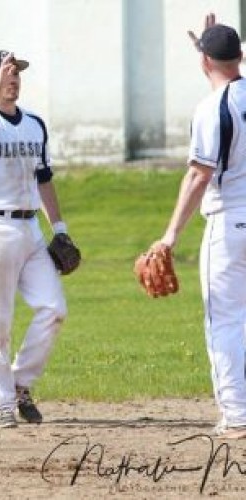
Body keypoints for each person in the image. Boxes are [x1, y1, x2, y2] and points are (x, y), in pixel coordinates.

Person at [0, 50, 75, 429]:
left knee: (54, 308)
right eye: (6, 72)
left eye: (17, 72)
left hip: (29, 229)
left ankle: (20, 381)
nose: (14, 77)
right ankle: (3, 403)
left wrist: (59, 228)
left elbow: (44, 179)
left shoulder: (35, 124)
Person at [153, 14, 246, 439]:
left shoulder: (211, 108)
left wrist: (170, 235)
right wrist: (209, 49)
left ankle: (237, 415)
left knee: (224, 320)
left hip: (230, 224)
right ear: (240, 55)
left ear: (205, 62)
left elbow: (199, 175)